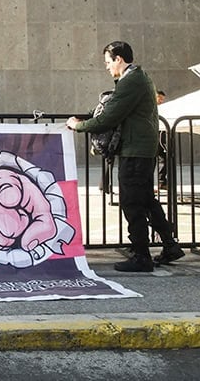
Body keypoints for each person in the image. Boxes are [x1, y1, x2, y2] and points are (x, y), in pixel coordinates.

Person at [67, 41, 184, 272]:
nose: (107, 67)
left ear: (118, 59)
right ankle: (170, 245)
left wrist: (77, 126)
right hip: (142, 150)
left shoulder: (131, 81)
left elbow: (108, 117)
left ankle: (141, 256)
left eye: (108, 62)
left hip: (135, 151)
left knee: (132, 203)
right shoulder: (140, 77)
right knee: (146, 200)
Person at [156, 90, 168, 190]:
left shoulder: (162, 108)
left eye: (162, 99)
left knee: (163, 159)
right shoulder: (149, 107)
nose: (161, 101)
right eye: (159, 98)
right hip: (153, 137)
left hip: (160, 138)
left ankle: (161, 182)